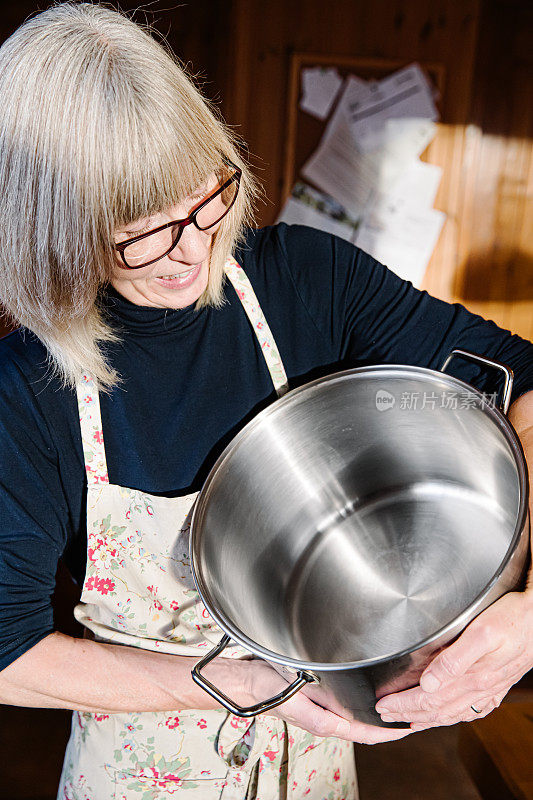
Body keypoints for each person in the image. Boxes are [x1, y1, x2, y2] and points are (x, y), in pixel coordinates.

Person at [0, 4, 531, 799]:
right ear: (51, 231)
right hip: (140, 772)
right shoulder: (25, 392)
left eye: (202, 199)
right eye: (136, 233)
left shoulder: (309, 281)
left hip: (315, 769)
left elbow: (525, 382)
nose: (188, 250)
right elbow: (10, 659)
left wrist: (529, 611)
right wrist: (238, 684)